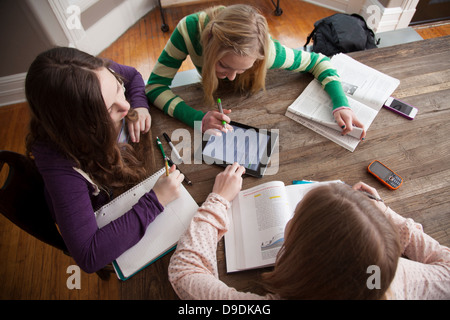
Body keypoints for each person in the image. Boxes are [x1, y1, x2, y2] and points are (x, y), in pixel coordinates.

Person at [168, 163, 450, 299]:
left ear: (305, 264)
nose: (288, 221)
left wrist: (218, 200)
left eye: (295, 219)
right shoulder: (391, 279)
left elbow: (186, 273)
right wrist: (380, 214)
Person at [25, 47, 184, 273]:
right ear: (79, 128)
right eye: (109, 108)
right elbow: (88, 256)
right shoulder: (61, 167)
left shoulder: (97, 75)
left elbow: (133, 77)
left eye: (118, 88)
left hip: (119, 176)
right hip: (102, 204)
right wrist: (155, 200)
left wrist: (139, 102)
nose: (125, 106)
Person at [146, 4, 365, 138]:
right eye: (223, 65)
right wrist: (197, 118)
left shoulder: (269, 53)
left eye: (242, 69)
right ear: (209, 45)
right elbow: (154, 86)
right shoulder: (188, 30)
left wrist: (340, 103)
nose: (231, 77)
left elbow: (320, 62)